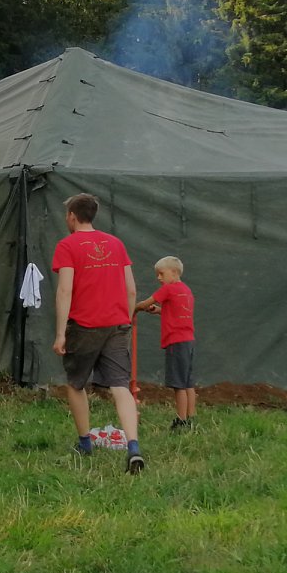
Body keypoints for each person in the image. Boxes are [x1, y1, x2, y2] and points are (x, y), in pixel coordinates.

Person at [51, 193, 142, 474]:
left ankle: (85, 443)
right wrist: (124, 320)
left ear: (72, 216)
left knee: (76, 384)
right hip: (117, 323)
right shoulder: (116, 244)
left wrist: (60, 334)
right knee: (120, 386)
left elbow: (65, 289)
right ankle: (133, 447)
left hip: (85, 325)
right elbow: (131, 289)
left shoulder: (67, 245)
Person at [137, 256, 196, 431]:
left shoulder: (168, 289)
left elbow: (145, 303)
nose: (159, 278)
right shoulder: (186, 290)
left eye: (161, 274)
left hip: (175, 341)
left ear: (174, 272)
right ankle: (191, 417)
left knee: (178, 385)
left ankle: (181, 421)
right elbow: (177, 312)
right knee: (188, 383)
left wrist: (133, 308)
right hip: (189, 341)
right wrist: (159, 312)